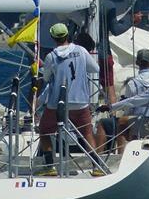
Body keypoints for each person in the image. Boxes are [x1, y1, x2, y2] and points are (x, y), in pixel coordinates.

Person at [37, 22, 105, 177]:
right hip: (80, 101)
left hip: (57, 103)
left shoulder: (51, 56)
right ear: (68, 35)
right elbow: (96, 69)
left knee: (45, 130)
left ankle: (49, 167)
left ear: (53, 38)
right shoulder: (81, 51)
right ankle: (97, 166)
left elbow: (46, 78)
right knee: (87, 133)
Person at [103, 48, 149, 150]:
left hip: (139, 122)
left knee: (122, 123)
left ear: (137, 63)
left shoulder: (132, 83)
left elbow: (128, 107)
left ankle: (121, 155)